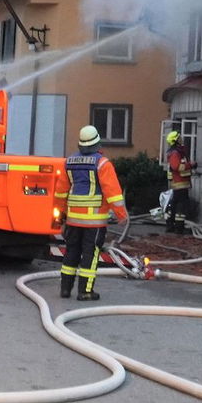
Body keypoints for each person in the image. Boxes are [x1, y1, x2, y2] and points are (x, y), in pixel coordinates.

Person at [59, 125, 127, 301]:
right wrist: (121, 214)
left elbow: (60, 192)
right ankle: (85, 291)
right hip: (94, 221)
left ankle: (65, 289)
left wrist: (61, 216)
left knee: (71, 251)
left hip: (73, 219)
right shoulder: (103, 163)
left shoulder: (69, 161)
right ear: (98, 143)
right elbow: (112, 192)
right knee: (90, 254)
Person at [164, 130, 193, 235]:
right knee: (181, 206)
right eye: (179, 138)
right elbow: (177, 167)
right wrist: (191, 165)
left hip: (180, 184)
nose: (181, 139)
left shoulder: (178, 152)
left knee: (175, 204)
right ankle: (179, 229)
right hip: (180, 184)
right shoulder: (175, 153)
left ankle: (171, 226)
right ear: (175, 141)